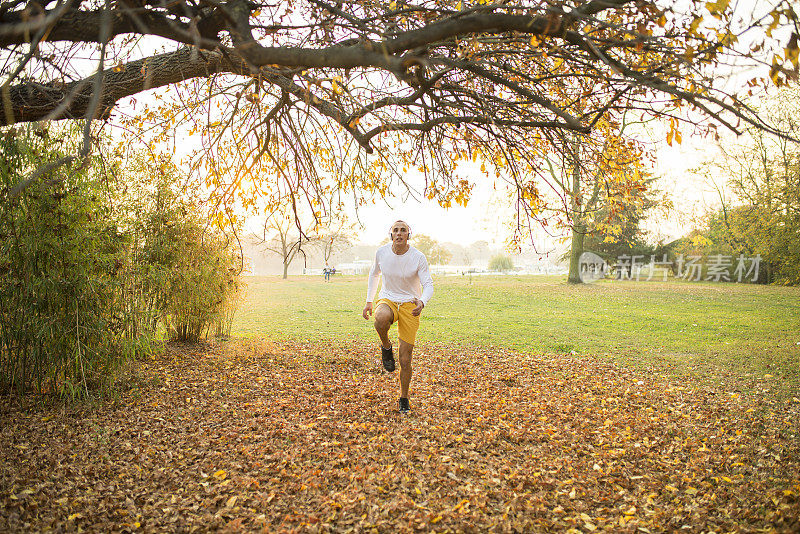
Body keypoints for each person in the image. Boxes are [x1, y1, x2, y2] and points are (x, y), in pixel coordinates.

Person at [362, 220, 433, 414]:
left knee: (405, 359)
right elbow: (374, 274)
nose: (399, 233)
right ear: (390, 234)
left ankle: (404, 398)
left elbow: (428, 284)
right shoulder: (381, 253)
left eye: (403, 230)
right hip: (389, 298)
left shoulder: (418, 257)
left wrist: (423, 301)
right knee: (380, 317)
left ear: (409, 235)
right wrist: (369, 300)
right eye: (396, 230)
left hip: (410, 304)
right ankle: (386, 346)